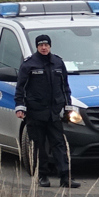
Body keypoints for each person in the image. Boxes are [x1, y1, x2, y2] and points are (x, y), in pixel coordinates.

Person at [15, 34, 78, 188]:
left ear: (50, 46)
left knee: (59, 144)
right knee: (39, 145)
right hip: (36, 112)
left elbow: (65, 87)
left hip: (54, 112)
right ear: (37, 47)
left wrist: (67, 106)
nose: (44, 47)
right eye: (41, 45)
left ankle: (65, 177)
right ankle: (42, 175)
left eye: (46, 45)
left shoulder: (57, 62)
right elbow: (20, 88)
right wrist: (20, 106)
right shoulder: (29, 65)